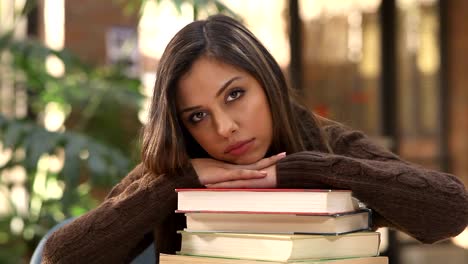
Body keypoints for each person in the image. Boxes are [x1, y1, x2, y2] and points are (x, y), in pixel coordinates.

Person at [42, 14, 468, 263]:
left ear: (266, 82)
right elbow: (59, 257)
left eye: (235, 95)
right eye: (197, 115)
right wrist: (177, 184)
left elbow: (451, 210)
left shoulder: (321, 142)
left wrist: (302, 170)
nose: (224, 127)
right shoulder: (180, 167)